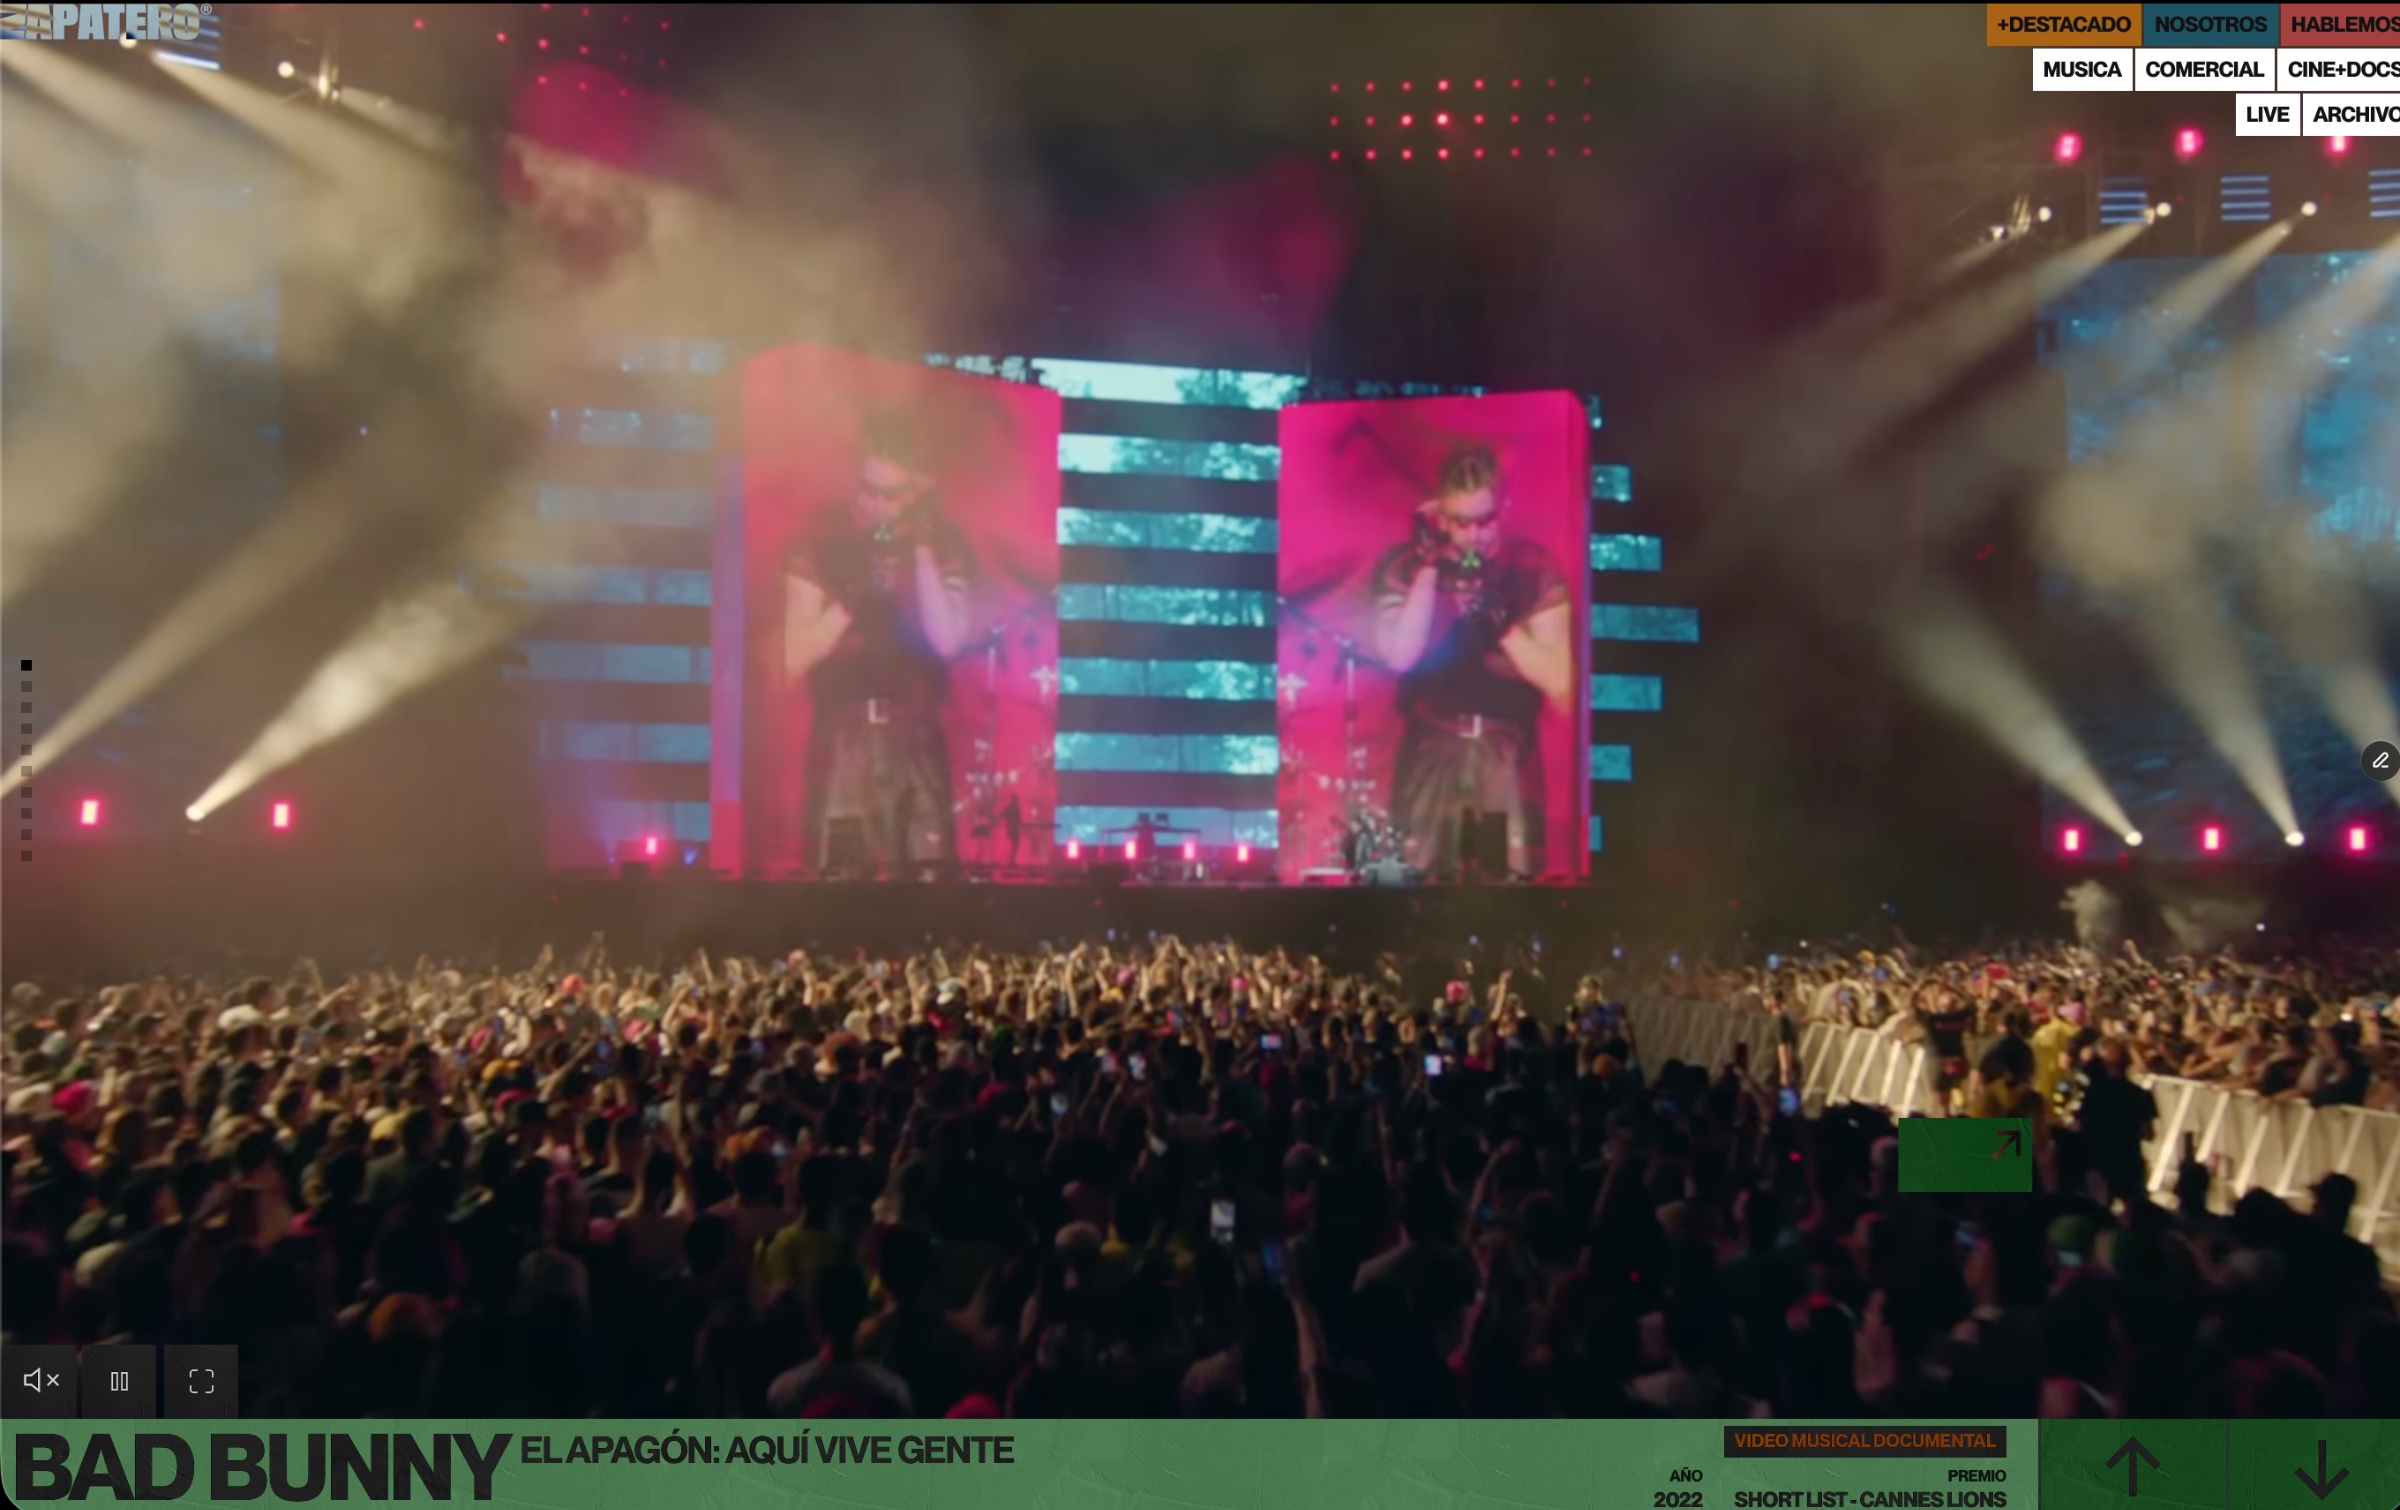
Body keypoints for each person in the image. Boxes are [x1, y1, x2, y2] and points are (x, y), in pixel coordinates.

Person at [782, 410, 974, 878]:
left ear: (916, 492)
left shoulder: (941, 542)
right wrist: (848, 601)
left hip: (915, 738)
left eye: (889, 494)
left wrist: (923, 550)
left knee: (928, 883)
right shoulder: (823, 538)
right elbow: (794, 656)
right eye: (865, 488)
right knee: (839, 885)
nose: (873, 504)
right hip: (844, 740)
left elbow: (948, 640)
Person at [1369, 446, 1574, 878]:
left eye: (1486, 520)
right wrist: (1428, 567)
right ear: (1440, 517)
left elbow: (1561, 684)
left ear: (1504, 509)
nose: (1475, 535)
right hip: (1431, 751)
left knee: (1501, 885)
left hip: (1503, 756)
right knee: (1417, 885)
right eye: (1461, 522)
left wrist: (1503, 625)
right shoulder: (1406, 567)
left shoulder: (1531, 568)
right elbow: (1400, 656)